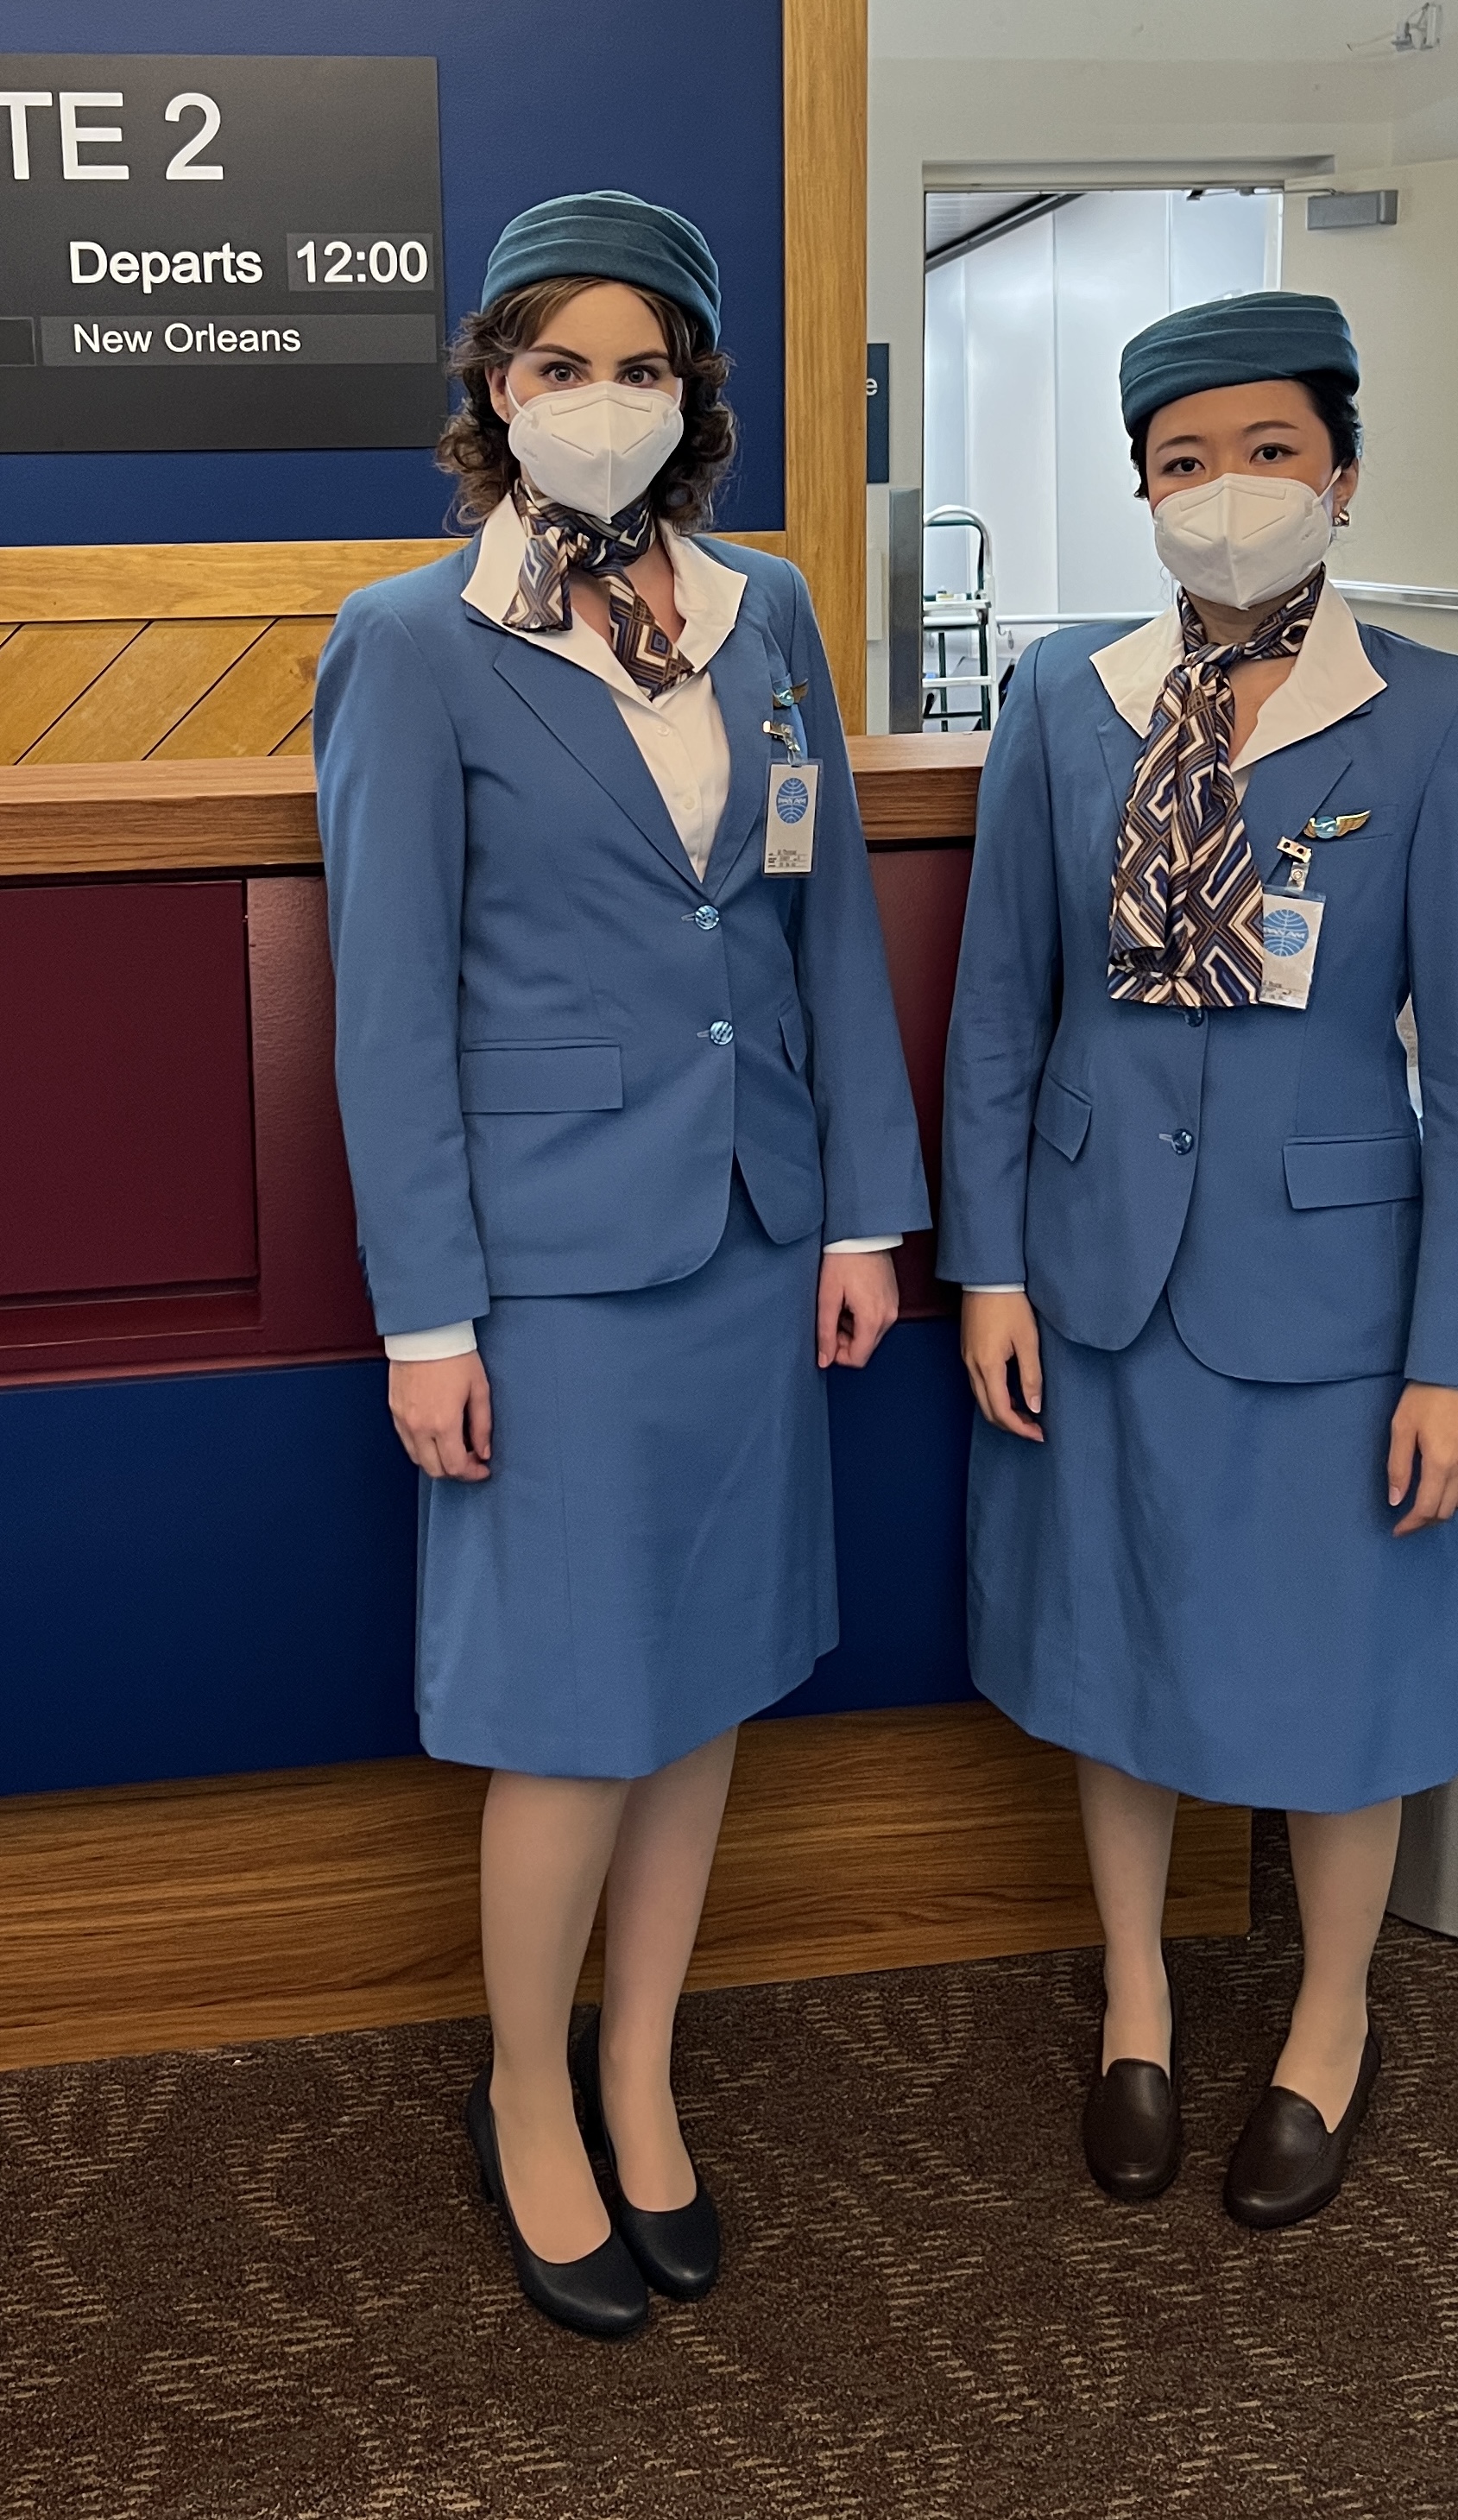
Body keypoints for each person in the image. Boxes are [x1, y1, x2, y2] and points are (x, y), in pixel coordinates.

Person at [314, 190, 929, 2337]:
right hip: (550, 1262)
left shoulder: (763, 617)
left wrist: (865, 1209)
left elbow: (812, 922)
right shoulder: (412, 640)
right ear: (492, 389)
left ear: (696, 396)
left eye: (640, 366)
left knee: (700, 1687)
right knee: (569, 1711)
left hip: (753, 1230)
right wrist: (427, 1308)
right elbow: (384, 1005)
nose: (600, 404)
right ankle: (527, 2094)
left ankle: (645, 2070)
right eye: (555, 366)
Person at [939, 292, 1458, 2228]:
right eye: (1182, 463)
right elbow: (997, 1015)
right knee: (1118, 1647)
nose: (1224, 495)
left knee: (1331, 1667)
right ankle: (1136, 1993)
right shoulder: (1062, 697)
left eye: (1265, 452)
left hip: (1334, 1289)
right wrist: (992, 1267)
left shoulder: (1437, 718)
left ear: (1338, 474)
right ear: (1139, 490)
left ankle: (1330, 2015)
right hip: (1099, 1265)